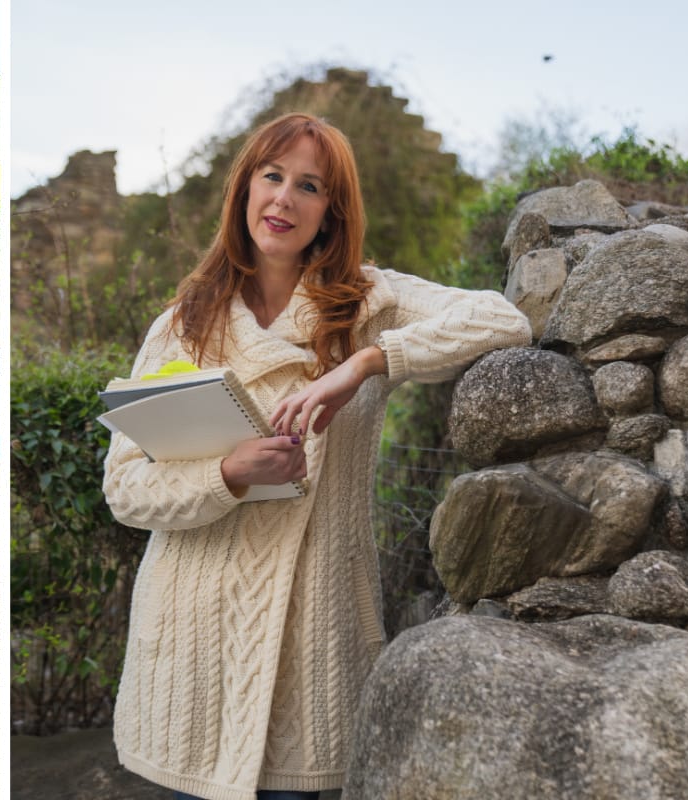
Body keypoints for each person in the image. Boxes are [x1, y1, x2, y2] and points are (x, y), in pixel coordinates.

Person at [102, 112, 530, 800]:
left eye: (309, 186)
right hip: (191, 641)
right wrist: (229, 474)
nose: (283, 200)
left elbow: (503, 318)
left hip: (309, 641)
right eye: (271, 177)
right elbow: (125, 490)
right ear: (243, 189)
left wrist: (366, 360)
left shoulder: (370, 302)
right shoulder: (183, 322)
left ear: (331, 210)